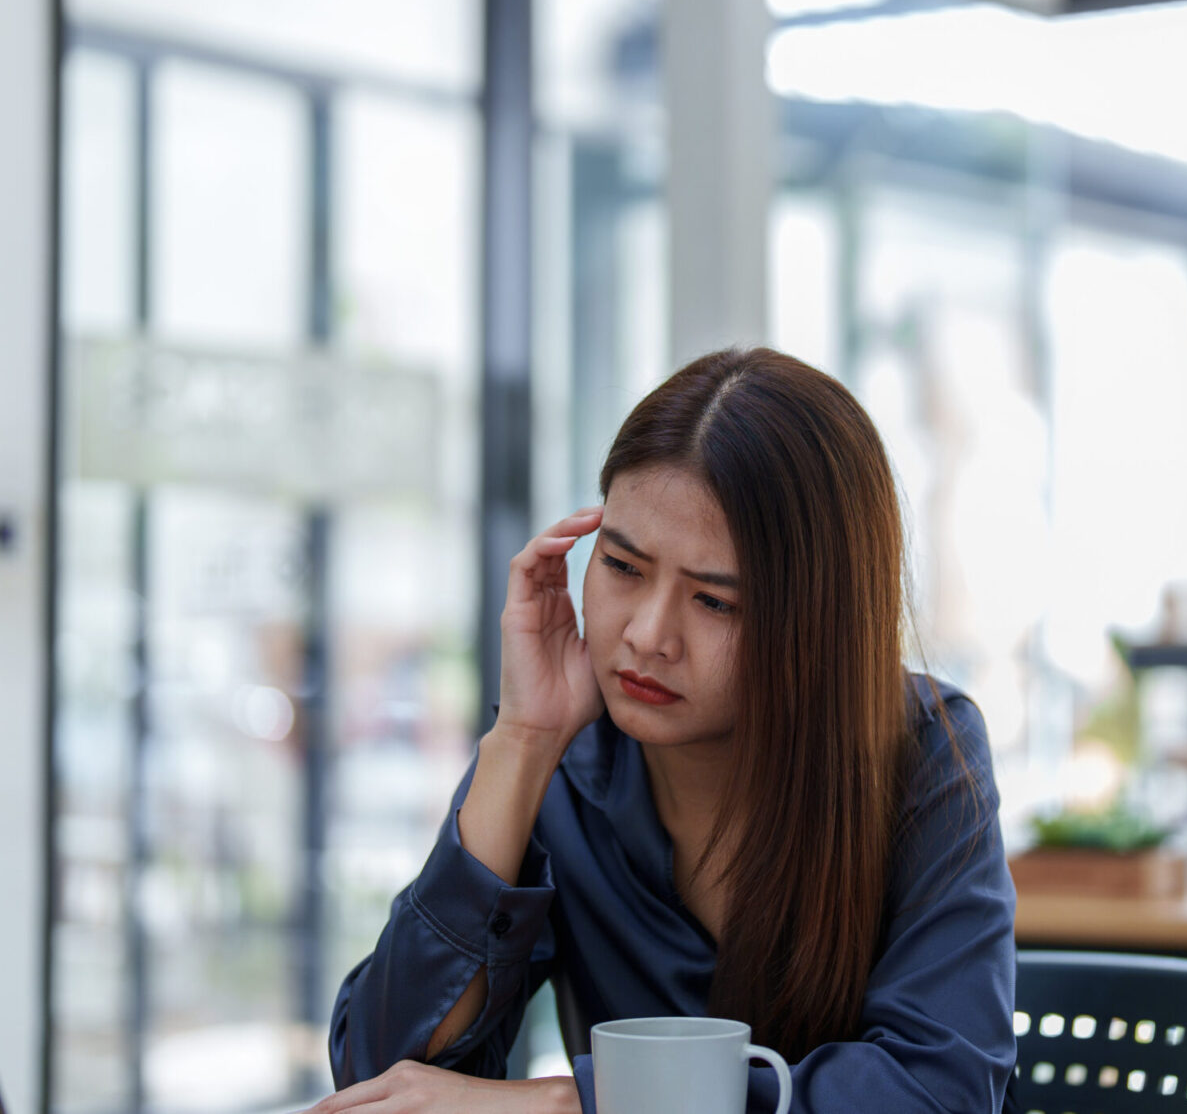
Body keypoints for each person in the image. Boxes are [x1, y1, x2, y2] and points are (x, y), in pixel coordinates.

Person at [316, 348, 1019, 1113]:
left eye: (716, 603)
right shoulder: (564, 759)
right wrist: (522, 740)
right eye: (622, 566)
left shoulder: (920, 751)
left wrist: (576, 1104)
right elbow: (380, 1078)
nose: (649, 636)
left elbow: (935, 1093)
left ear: (817, 624)